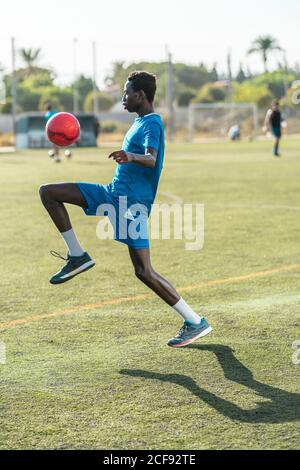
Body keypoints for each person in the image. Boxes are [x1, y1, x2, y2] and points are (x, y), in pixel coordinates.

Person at [39, 71, 212, 348]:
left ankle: (194, 322)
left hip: (130, 205)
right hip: (112, 194)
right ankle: (77, 255)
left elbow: (151, 159)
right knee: (48, 192)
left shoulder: (152, 124)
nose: (123, 98)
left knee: (144, 271)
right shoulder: (139, 121)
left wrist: (130, 156)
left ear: (140, 95)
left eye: (126, 93)